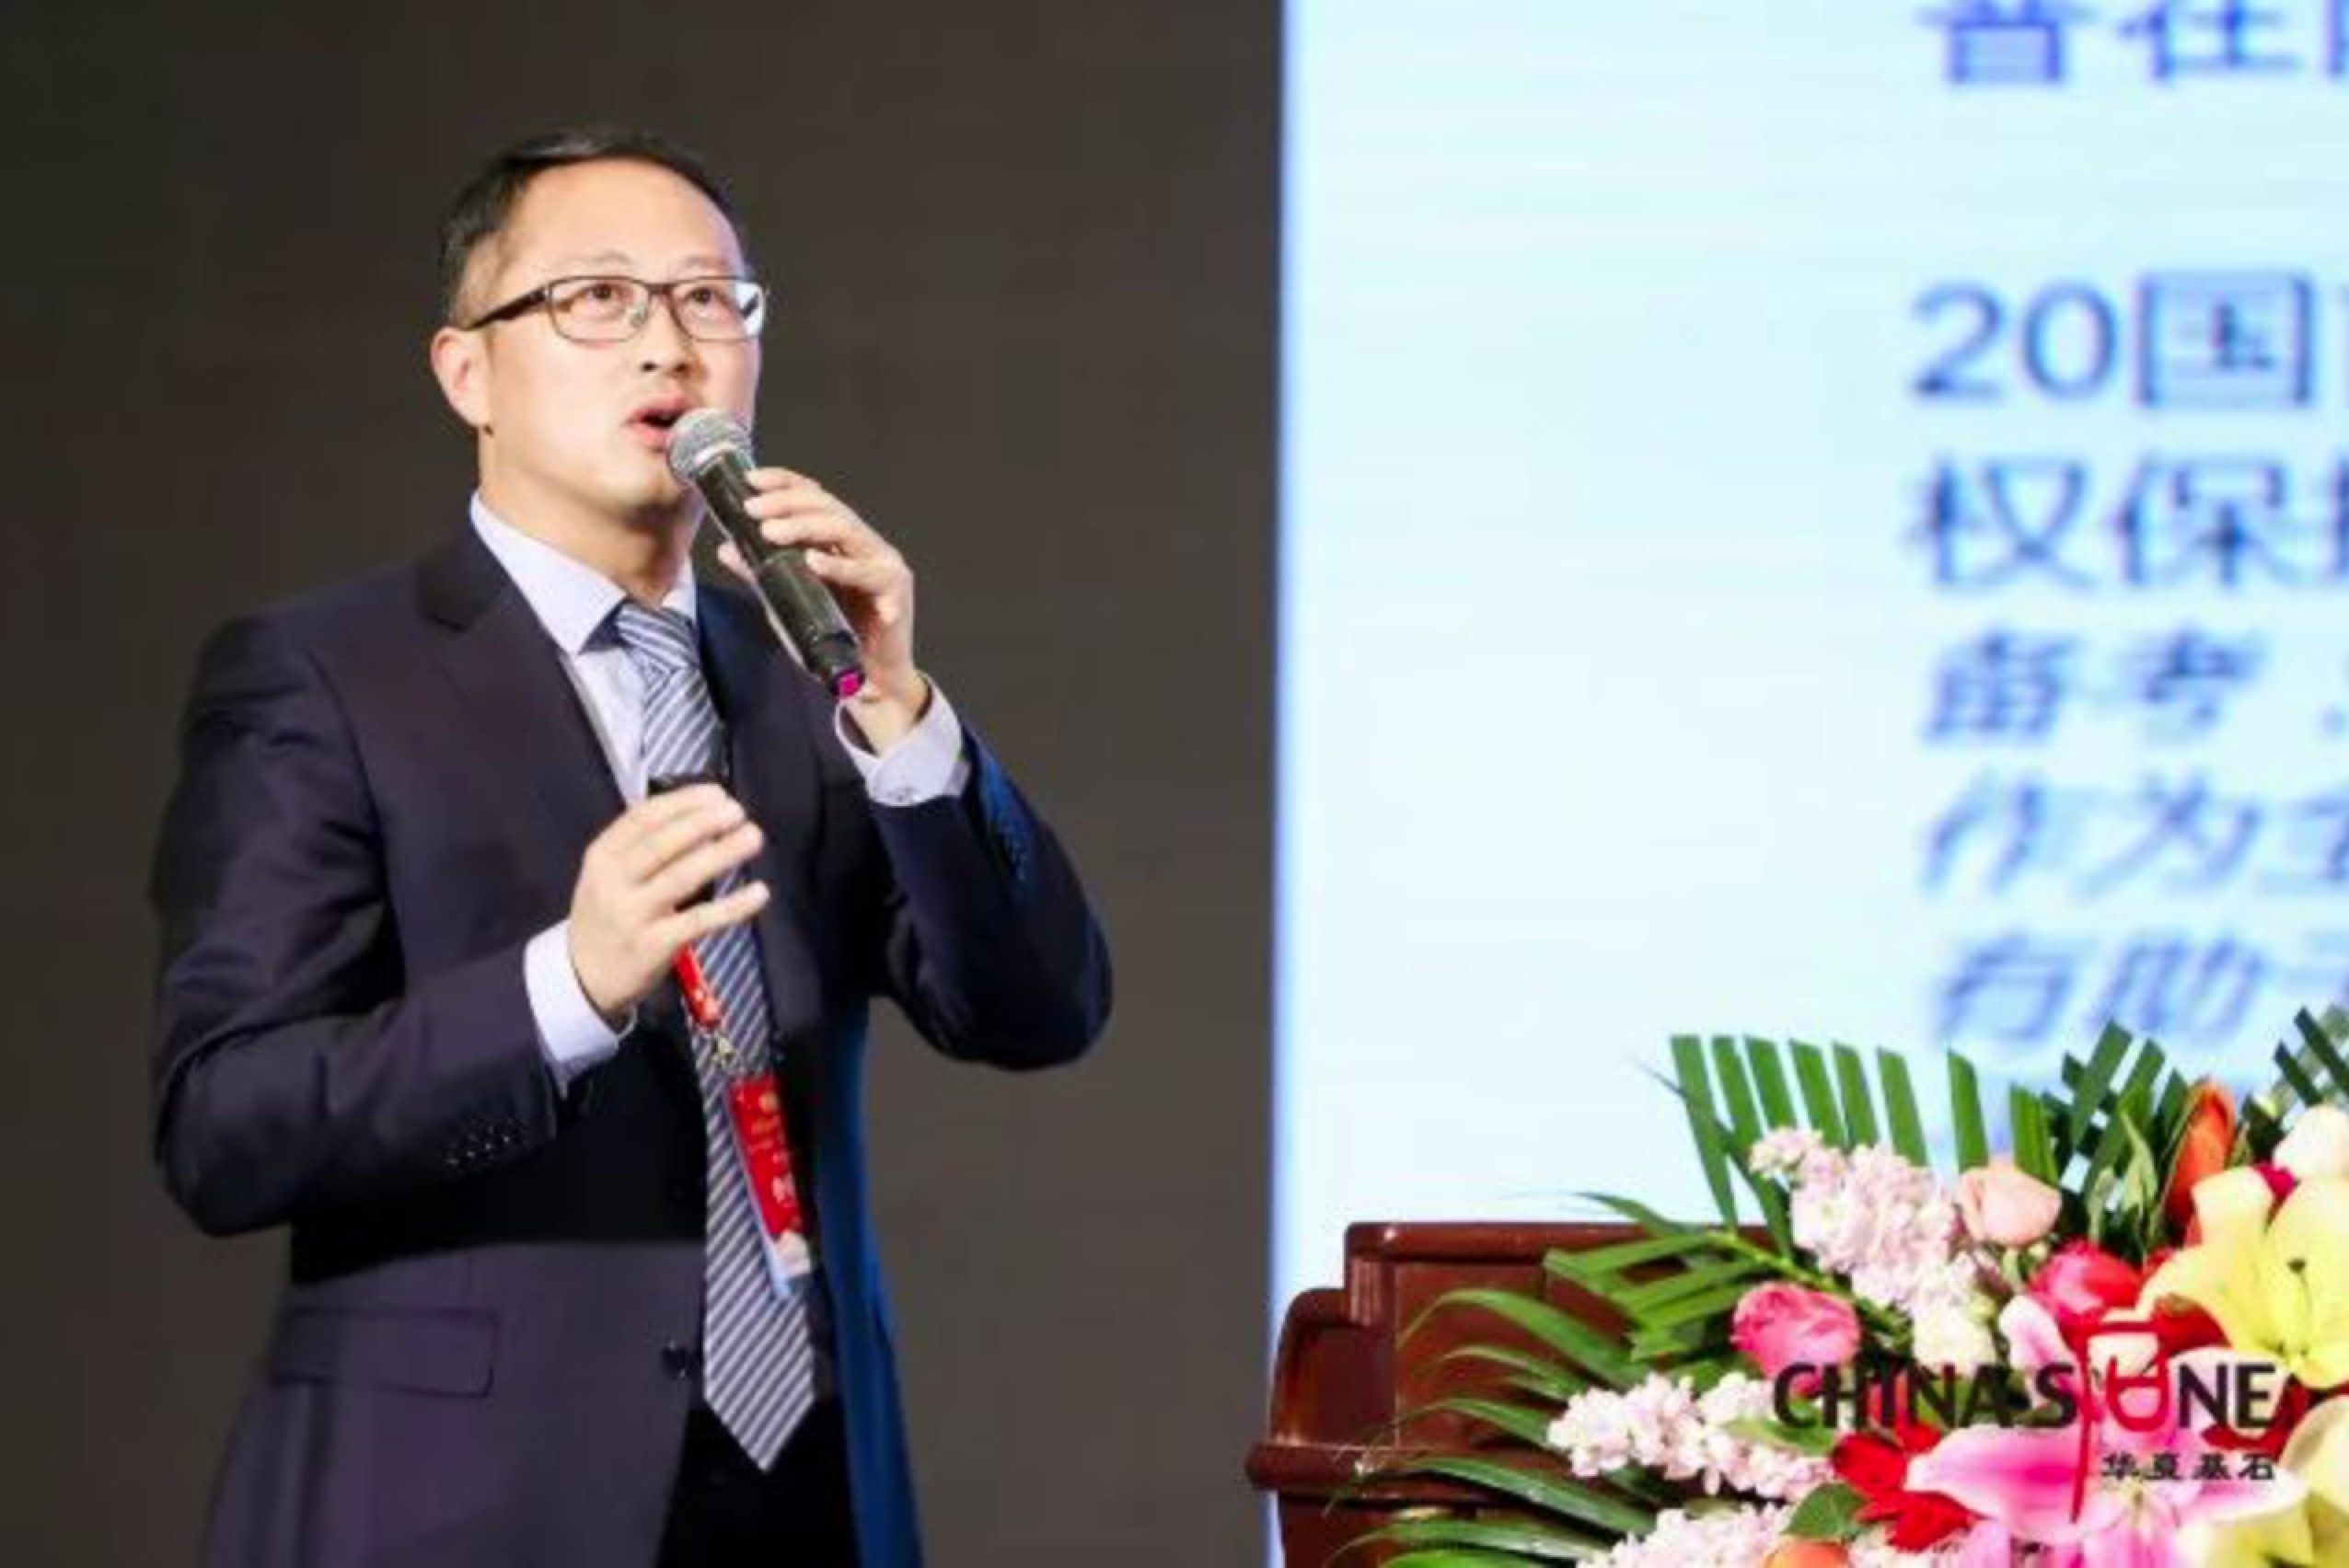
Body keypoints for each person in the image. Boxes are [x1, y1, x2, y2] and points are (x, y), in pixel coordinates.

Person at [146, 126, 1111, 1568]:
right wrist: (565, 989)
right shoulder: (327, 678)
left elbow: (1037, 1011)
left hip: (807, 1496)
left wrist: (899, 709)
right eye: (597, 298)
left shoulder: (808, 683)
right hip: (468, 1508)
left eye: (710, 299)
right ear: (467, 373)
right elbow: (225, 1125)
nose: (670, 345)